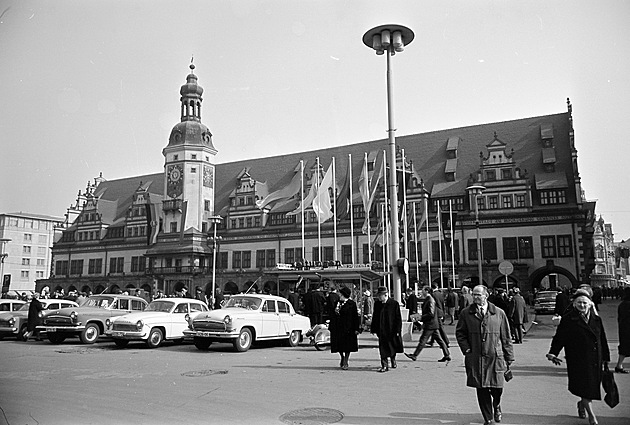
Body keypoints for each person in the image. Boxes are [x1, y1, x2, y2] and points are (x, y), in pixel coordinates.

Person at [546, 289, 610, 425]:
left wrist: (606, 358)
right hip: (577, 359)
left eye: (585, 303)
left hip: (595, 358)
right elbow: (560, 337)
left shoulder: (597, 320)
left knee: (590, 387)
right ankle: (592, 417)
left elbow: (602, 339)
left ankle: (582, 404)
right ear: (574, 304)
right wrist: (553, 352)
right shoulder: (569, 319)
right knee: (585, 387)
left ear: (590, 304)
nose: (582, 305)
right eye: (579, 303)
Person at [456, 285, 514, 425]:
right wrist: (467, 350)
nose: (476, 297)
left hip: (495, 357)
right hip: (476, 357)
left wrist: (509, 356)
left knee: (497, 387)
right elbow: (460, 333)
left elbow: (506, 337)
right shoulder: (466, 313)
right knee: (481, 388)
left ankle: (496, 405)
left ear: (486, 295)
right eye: (474, 294)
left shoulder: (498, 313)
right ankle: (488, 418)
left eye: (479, 295)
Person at [405, 286, 451, 362]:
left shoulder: (430, 300)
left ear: (426, 291)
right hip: (432, 323)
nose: (421, 292)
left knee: (423, 340)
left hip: (430, 324)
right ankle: (447, 355)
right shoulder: (428, 299)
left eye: (422, 290)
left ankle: (415, 355)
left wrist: (421, 317)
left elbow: (431, 313)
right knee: (439, 340)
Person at [370, 286, 403, 372]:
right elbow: (375, 316)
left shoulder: (394, 304)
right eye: (378, 295)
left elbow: (398, 318)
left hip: (391, 330)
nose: (379, 297)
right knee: (382, 348)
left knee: (391, 347)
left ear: (385, 295)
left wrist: (398, 330)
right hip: (381, 330)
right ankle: (384, 365)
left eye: (380, 295)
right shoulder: (377, 304)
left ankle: (393, 359)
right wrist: (373, 328)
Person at [329, 286, 361, 370]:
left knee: (347, 346)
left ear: (344, 295)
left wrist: (356, 328)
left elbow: (355, 317)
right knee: (338, 344)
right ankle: (342, 357)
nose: (339, 295)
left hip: (348, 328)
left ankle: (346, 360)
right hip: (338, 327)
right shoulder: (337, 303)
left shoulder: (351, 304)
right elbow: (332, 315)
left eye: (341, 294)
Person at [614, 286, 630, 373]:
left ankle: (619, 365)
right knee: (625, 348)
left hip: (624, 329)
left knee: (624, 348)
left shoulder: (623, 304)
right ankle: (619, 366)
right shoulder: (627, 304)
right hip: (627, 329)